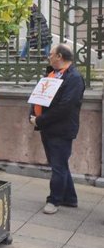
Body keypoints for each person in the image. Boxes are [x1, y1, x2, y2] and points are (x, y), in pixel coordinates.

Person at [30, 43, 85, 215]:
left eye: (51, 54)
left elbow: (65, 107)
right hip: (47, 127)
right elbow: (39, 96)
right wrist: (33, 114)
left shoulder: (74, 78)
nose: (49, 56)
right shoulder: (52, 74)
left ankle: (54, 200)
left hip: (61, 129)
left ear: (59, 56)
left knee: (58, 166)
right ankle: (70, 198)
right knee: (59, 164)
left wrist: (40, 120)